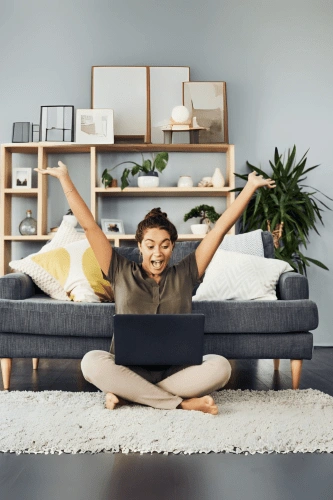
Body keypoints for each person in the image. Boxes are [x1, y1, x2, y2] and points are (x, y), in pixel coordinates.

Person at [35, 161, 275, 415]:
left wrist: (249, 187)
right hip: (128, 369)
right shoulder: (119, 269)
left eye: (165, 245)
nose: (157, 253)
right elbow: (89, 227)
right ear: (139, 246)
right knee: (91, 362)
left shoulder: (187, 272)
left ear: (173, 246)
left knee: (221, 367)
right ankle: (179, 402)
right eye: (150, 245)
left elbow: (220, 230)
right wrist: (64, 179)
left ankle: (132, 395)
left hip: (177, 371)